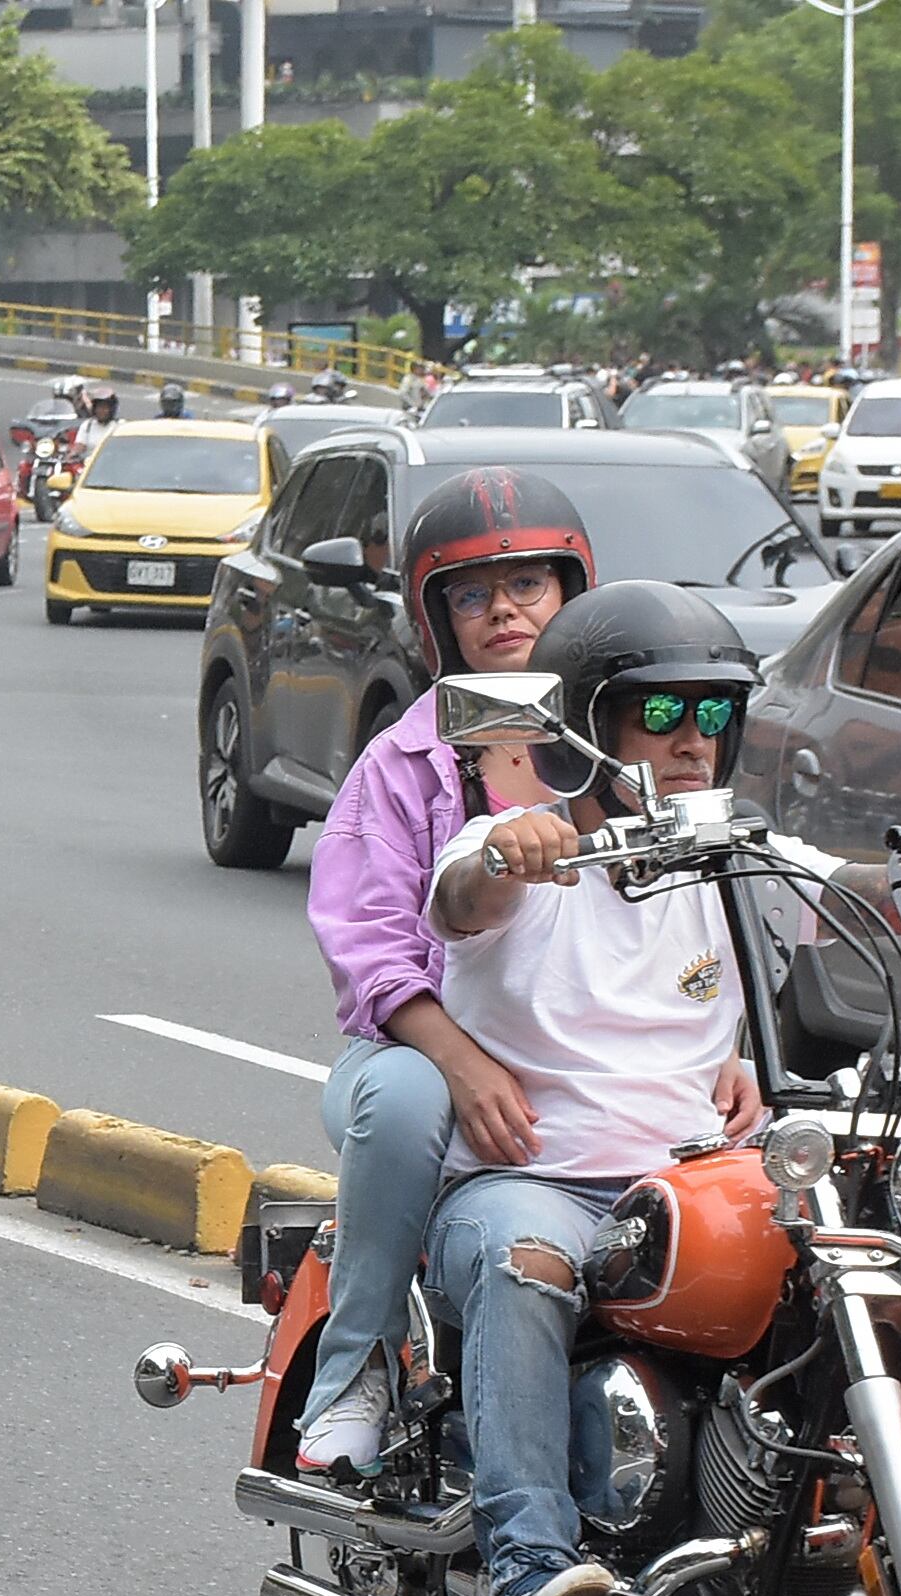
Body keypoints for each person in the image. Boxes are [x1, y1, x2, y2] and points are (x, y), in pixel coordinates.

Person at [422, 583, 901, 1596]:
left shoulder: (734, 862)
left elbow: (875, 892)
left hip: (706, 1173)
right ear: (587, 724)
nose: (689, 744)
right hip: (539, 1180)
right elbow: (459, 899)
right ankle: (531, 1564)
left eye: (712, 717)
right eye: (659, 715)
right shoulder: (520, 852)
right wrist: (507, 848)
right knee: (525, 1263)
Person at [292, 467, 594, 1480]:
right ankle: (356, 1370)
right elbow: (368, 948)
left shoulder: (615, 749)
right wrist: (462, 1063)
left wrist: (725, 1054)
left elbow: (692, 917)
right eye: (473, 593)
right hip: (413, 1056)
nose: (504, 610)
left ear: (572, 595)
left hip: (584, 1059)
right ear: (439, 616)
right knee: (413, 1093)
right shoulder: (399, 762)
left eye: (529, 587)